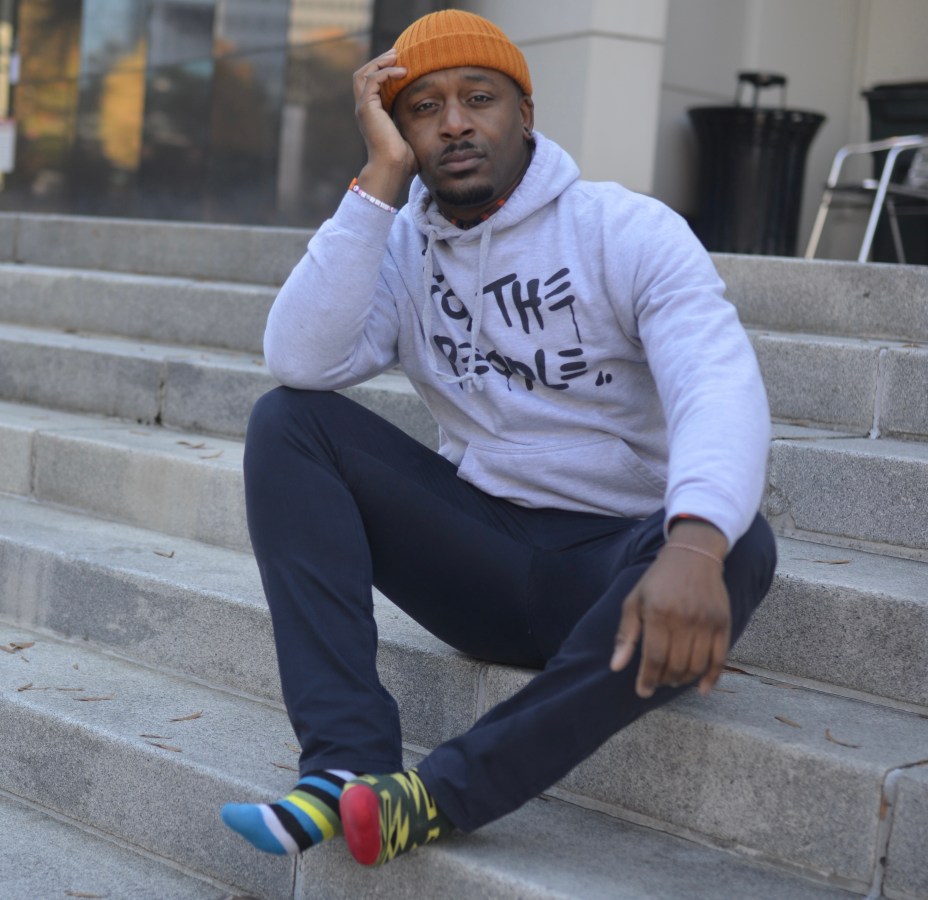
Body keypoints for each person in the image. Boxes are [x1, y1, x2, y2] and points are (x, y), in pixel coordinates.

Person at [221, 9, 776, 868]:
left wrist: (695, 546)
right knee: (288, 424)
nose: (453, 123)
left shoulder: (623, 229)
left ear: (525, 113)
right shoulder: (401, 247)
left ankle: (436, 797)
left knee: (739, 545)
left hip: (618, 575)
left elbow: (717, 383)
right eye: (423, 108)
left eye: (479, 98)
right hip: (483, 557)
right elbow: (300, 358)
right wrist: (378, 183)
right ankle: (344, 764)